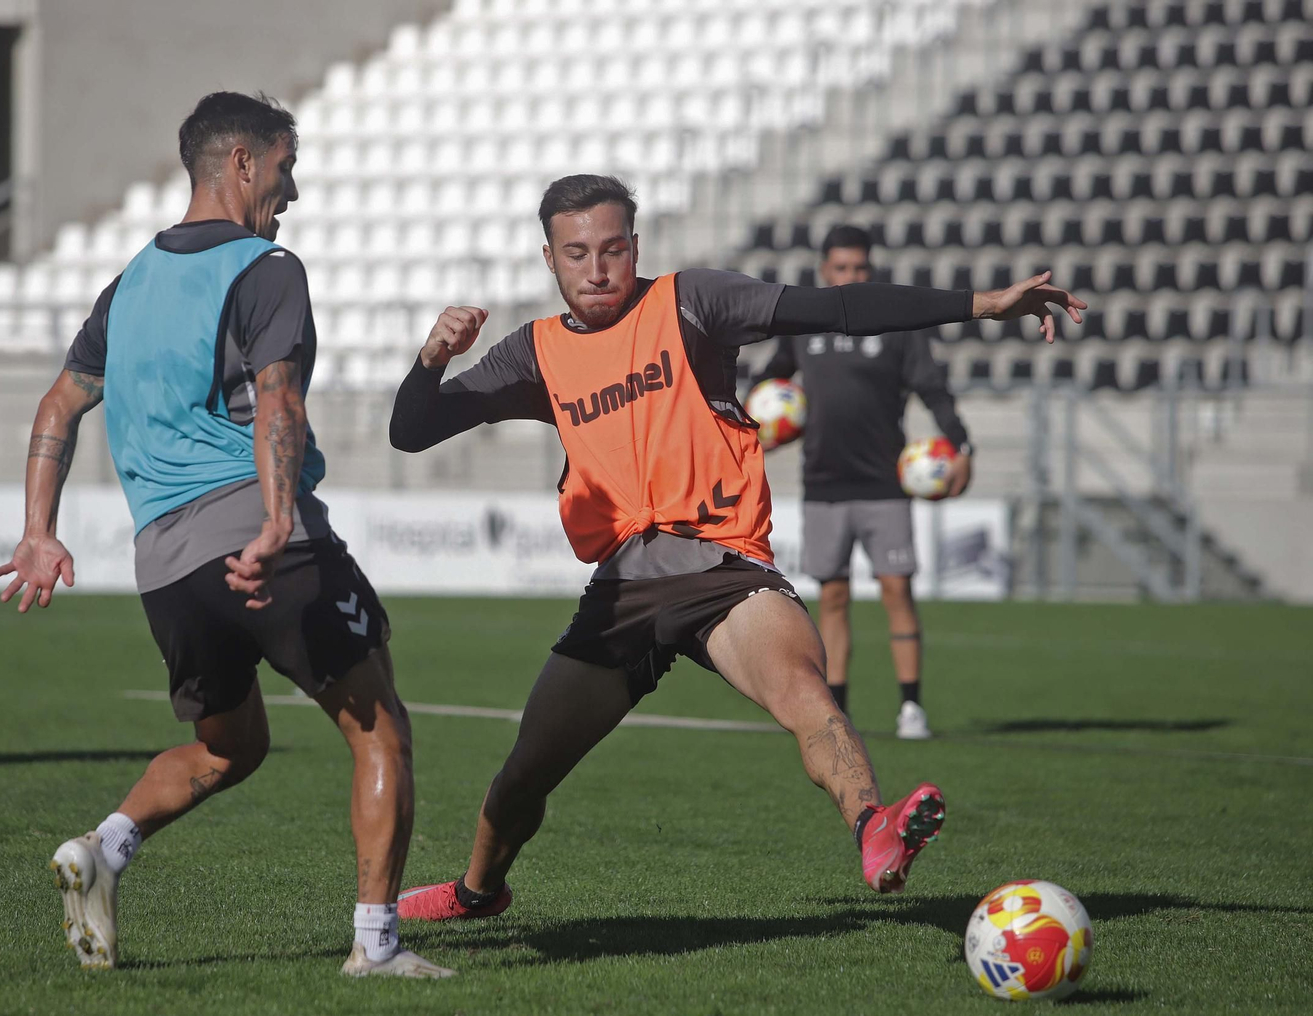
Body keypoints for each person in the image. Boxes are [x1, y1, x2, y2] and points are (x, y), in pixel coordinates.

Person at [388, 175, 1082, 923]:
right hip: (622, 592)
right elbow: (413, 430)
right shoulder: (536, 351)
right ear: (549, 258)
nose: (597, 270)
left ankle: (873, 826)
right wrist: (432, 358)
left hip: (722, 569)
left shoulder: (693, 301)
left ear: (636, 247)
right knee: (525, 773)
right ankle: (476, 892)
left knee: (806, 695)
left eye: (613, 250)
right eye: (577, 253)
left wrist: (982, 303)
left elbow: (840, 308)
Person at [0, 92, 449, 979]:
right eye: (285, 167)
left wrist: (37, 532)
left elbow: (58, 405)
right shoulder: (267, 267)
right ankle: (376, 947)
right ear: (243, 162)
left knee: (230, 745)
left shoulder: (129, 283)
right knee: (380, 731)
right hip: (260, 537)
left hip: (165, 565)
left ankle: (104, 848)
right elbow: (278, 396)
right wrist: (281, 520)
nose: (293, 189)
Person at [754, 225, 975, 740]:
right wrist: (761, 424)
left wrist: (962, 446)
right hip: (824, 483)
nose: (851, 277)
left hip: (884, 484)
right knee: (831, 598)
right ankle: (839, 711)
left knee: (897, 590)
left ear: (869, 271)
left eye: (859, 269)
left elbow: (934, 390)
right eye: (841, 269)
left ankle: (911, 708)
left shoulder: (896, 325)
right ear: (824, 272)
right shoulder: (802, 322)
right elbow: (771, 384)